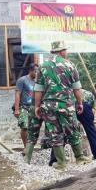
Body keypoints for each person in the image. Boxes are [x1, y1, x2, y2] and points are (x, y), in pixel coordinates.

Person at [34, 41, 91, 170]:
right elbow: (77, 88)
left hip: (48, 107)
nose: (66, 52)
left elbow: (38, 89)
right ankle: (80, 157)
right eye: (65, 50)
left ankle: (61, 163)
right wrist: (80, 103)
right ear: (61, 51)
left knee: (54, 133)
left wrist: (37, 106)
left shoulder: (43, 66)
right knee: (73, 129)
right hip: (66, 105)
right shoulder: (70, 65)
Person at [13, 63, 38, 153]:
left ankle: (30, 146)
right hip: (23, 107)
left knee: (33, 128)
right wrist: (16, 109)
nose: (37, 73)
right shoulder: (22, 80)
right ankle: (25, 147)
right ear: (31, 71)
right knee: (25, 127)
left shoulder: (36, 81)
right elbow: (17, 94)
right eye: (35, 71)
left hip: (33, 107)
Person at [77, 89, 96, 160]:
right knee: (91, 131)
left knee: (64, 130)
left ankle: (56, 158)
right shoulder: (88, 93)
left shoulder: (69, 90)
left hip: (73, 106)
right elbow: (94, 107)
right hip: (87, 108)